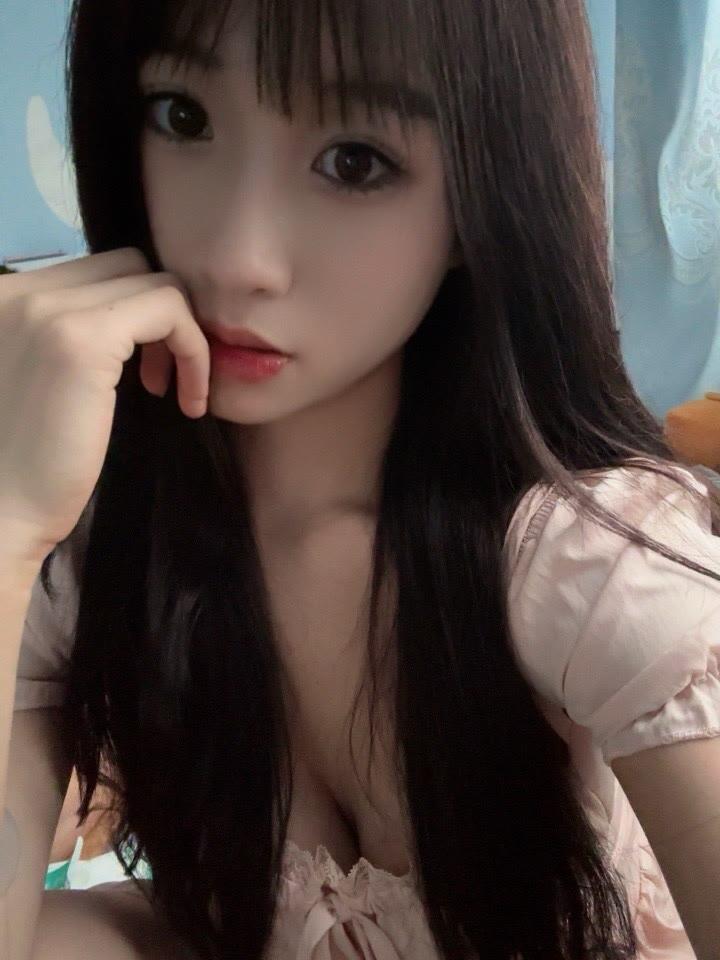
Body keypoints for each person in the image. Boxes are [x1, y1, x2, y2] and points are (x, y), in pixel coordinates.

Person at [1, 0, 719, 958]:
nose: (236, 258)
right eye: (183, 116)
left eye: (355, 162)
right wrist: (7, 521)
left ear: (479, 201)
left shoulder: (578, 561)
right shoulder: (97, 537)